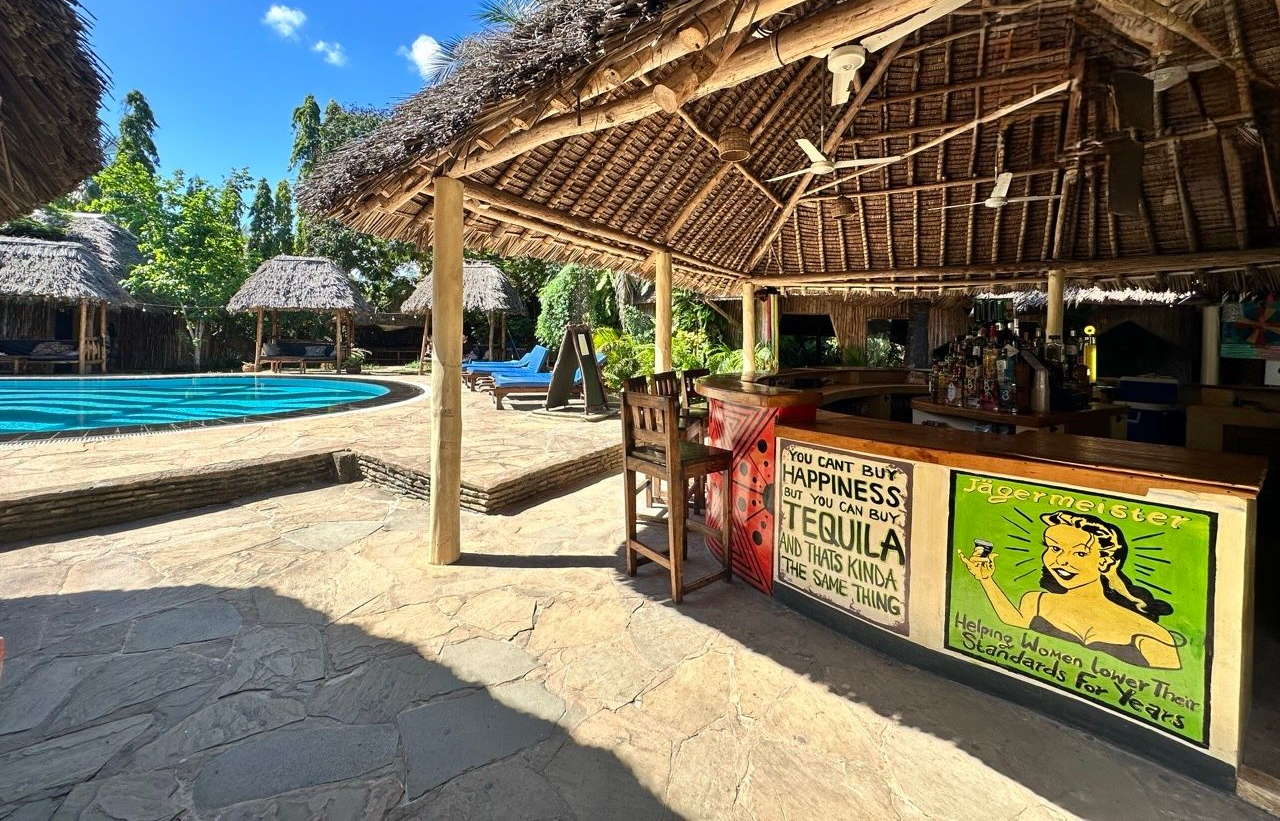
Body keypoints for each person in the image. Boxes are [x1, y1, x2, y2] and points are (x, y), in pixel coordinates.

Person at [959, 510, 1180, 669]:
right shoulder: (1036, 601)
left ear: (1105, 563)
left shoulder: (1150, 634)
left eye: (1080, 553)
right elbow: (1014, 620)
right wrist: (985, 579)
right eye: (1054, 548)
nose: (1061, 560)